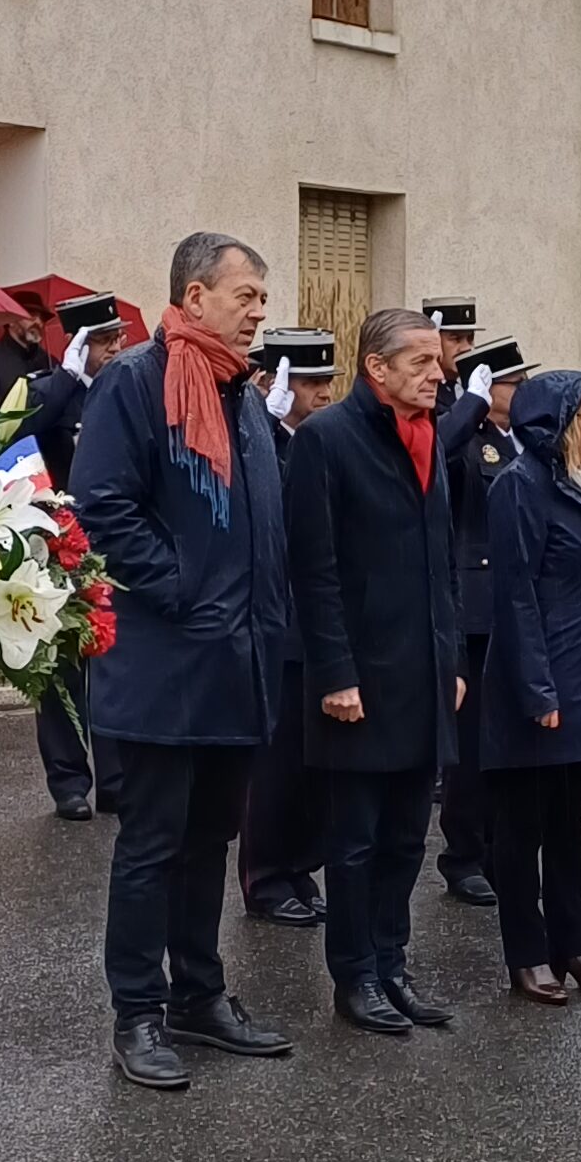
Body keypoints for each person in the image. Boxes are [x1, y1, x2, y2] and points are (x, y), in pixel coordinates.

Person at [69, 230, 291, 1086]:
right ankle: (138, 1011)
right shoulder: (135, 381)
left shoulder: (240, 393)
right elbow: (102, 508)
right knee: (153, 844)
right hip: (167, 661)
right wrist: (185, 590)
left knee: (210, 840)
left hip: (237, 661)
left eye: (262, 298)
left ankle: (200, 995)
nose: (259, 312)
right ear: (194, 297)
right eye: (246, 296)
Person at [287, 304, 465, 1039]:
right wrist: (335, 673)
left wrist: (452, 658)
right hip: (358, 676)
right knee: (355, 841)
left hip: (421, 671)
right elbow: (314, 569)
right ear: (377, 367)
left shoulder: (428, 435)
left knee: (406, 837)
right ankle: (354, 975)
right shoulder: (326, 439)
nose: (437, 373)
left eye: (438, 360)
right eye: (420, 361)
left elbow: (443, 560)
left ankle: (393, 965)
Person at [482, 367, 581, 1001]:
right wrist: (538, 691)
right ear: (557, 425)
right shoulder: (519, 487)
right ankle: (527, 953)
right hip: (536, 682)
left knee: (570, 824)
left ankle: (576, 945)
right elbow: (515, 597)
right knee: (521, 828)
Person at [239, 327, 336, 925]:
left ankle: (301, 865)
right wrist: (268, 424)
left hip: (321, 619)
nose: (322, 392)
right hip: (277, 619)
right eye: (309, 381)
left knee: (313, 761)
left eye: (327, 380)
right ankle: (267, 875)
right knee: (274, 765)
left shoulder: (323, 440)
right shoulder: (260, 441)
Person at [21, 294, 125, 820]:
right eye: (102, 342)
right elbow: (17, 431)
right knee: (60, 670)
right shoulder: (48, 391)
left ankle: (115, 779)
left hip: (112, 547)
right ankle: (67, 781)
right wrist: (66, 377)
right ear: (77, 344)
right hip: (57, 547)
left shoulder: (123, 392)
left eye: (117, 339)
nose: (114, 350)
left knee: (111, 667)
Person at [434, 333, 528, 906]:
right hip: (474, 609)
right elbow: (433, 460)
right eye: (512, 382)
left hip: (515, 608)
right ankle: (463, 854)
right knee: (470, 748)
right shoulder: (463, 437)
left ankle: (500, 849)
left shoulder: (521, 440)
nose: (521, 391)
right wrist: (468, 405)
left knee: (507, 743)